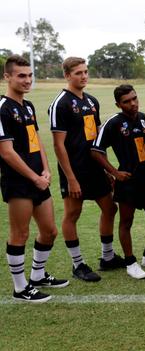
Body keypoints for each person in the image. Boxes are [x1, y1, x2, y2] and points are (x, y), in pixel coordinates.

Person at [1, 55, 68, 303]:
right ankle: (20, 288)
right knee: (20, 234)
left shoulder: (27, 106)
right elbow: (6, 152)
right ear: (7, 77)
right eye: (21, 75)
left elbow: (36, 140)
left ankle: (37, 276)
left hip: (38, 178)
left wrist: (46, 170)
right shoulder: (3, 109)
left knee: (49, 231)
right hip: (18, 181)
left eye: (29, 75)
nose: (27, 80)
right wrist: (33, 177)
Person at [49, 57, 119, 282]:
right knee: (73, 214)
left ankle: (107, 258)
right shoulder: (60, 103)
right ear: (67, 75)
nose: (84, 76)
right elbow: (58, 145)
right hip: (75, 170)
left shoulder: (92, 101)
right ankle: (78, 264)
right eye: (78, 72)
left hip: (95, 168)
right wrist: (71, 178)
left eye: (86, 72)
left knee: (110, 208)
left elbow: (97, 140)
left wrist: (107, 168)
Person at [91, 85, 145, 280]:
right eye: (126, 101)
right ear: (118, 104)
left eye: (134, 98)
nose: (132, 103)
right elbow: (96, 150)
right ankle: (130, 262)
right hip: (128, 181)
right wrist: (115, 172)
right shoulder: (114, 123)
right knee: (126, 222)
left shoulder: (143, 118)